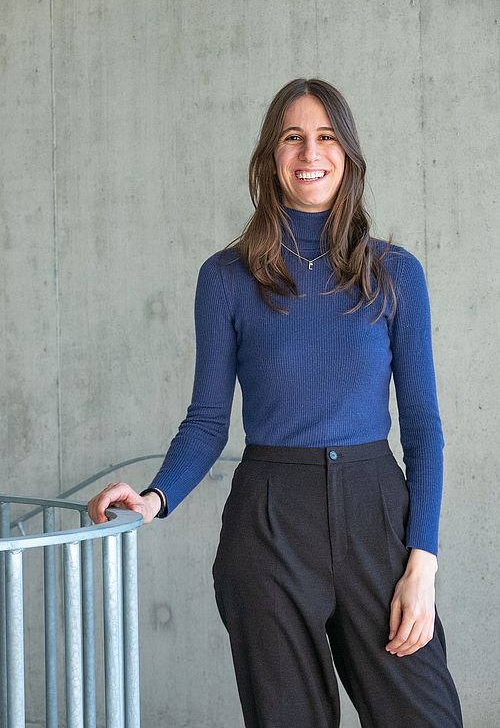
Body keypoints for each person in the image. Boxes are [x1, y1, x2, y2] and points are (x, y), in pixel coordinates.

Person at [87, 78, 464, 727]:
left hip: (377, 516)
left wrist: (422, 564)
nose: (310, 152)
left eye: (326, 137)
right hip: (268, 525)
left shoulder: (394, 272)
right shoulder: (226, 278)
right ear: (270, 156)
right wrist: (153, 498)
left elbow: (423, 428)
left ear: (347, 155)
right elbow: (208, 422)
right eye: (293, 137)